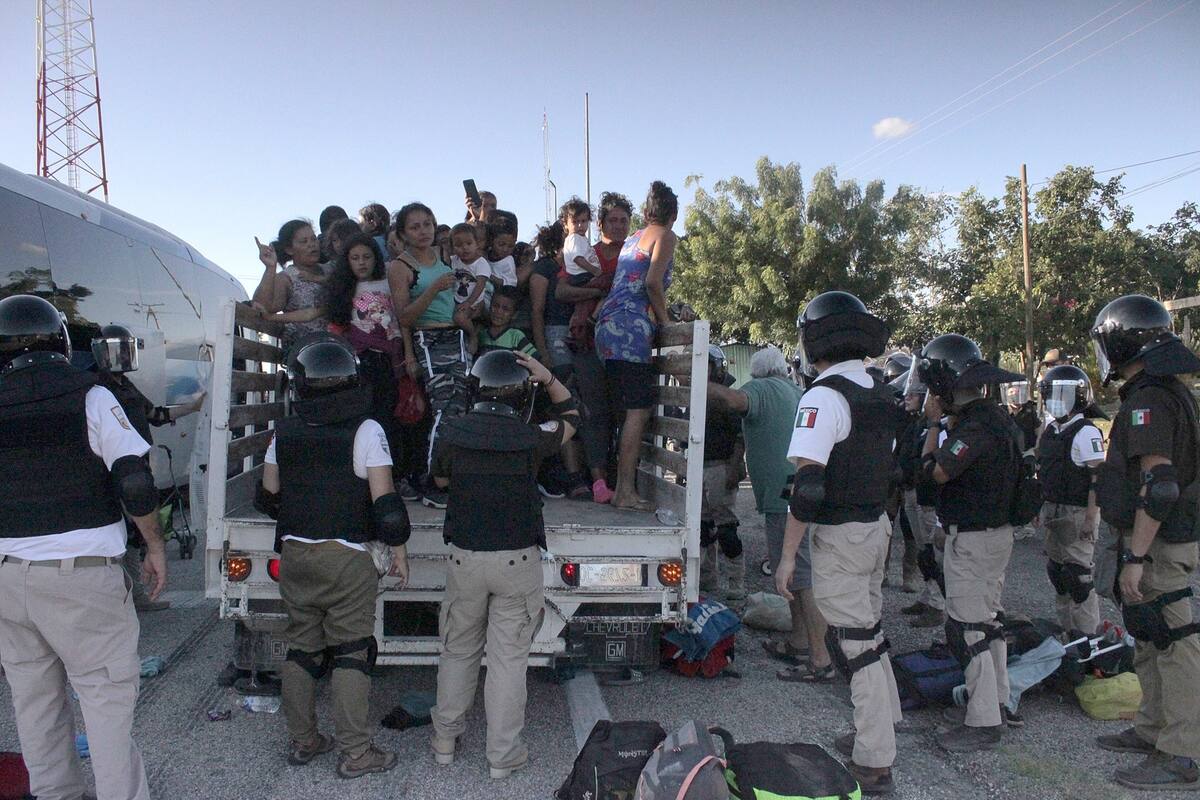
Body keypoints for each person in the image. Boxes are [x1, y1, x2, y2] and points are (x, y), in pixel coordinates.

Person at [0, 294, 167, 800]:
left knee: (34, 701)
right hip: (81, 575)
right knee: (104, 702)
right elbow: (134, 481)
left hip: (7, 575)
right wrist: (154, 546)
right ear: (61, 341)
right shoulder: (92, 396)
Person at [255, 334, 411, 779]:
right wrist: (399, 551)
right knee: (351, 653)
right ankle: (357, 753)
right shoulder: (367, 430)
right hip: (346, 557)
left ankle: (304, 741)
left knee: (302, 650)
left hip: (295, 554)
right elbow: (386, 507)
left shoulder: (283, 432)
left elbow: (268, 496)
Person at [430, 350, 580, 779]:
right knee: (508, 662)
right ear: (521, 395)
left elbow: (440, 480)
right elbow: (573, 416)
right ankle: (502, 756)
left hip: (465, 557)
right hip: (517, 561)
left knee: (457, 651)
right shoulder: (532, 437)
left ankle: (444, 741)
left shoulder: (452, 433)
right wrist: (547, 377)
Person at [776, 291, 901, 794]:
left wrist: (787, 557)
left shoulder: (823, 396)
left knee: (854, 645)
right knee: (870, 634)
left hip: (842, 535)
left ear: (815, 339)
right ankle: (883, 728)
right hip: (875, 527)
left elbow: (808, 489)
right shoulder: (880, 390)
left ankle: (875, 759)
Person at [1089, 294, 1200, 792]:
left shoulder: (1151, 398)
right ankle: (1153, 728)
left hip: (1159, 542)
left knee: (1175, 642)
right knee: (1151, 637)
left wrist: (1135, 555)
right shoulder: (1163, 390)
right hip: (1151, 538)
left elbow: (1160, 486)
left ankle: (1182, 753)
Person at [916, 333, 1025, 752]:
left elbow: (935, 473)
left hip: (977, 539)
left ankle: (983, 721)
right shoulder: (996, 419)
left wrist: (932, 425)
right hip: (993, 534)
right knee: (988, 623)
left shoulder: (977, 427)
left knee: (967, 629)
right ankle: (997, 702)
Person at [707, 346, 832, 680]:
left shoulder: (760, 389)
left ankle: (820, 659)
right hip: (798, 489)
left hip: (783, 496)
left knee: (802, 578)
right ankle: (799, 642)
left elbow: (734, 400)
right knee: (795, 577)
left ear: (757, 373)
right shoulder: (794, 390)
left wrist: (698, 382)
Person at [90, 324, 203, 612]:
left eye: (126, 349)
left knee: (135, 533)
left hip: (137, 466)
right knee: (125, 532)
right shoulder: (95, 387)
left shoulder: (126, 385)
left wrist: (193, 407)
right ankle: (127, 597)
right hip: (115, 470)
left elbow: (156, 415)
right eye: (116, 350)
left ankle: (133, 594)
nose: (123, 356)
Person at [595, 182, 677, 512]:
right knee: (637, 412)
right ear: (673, 215)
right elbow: (653, 283)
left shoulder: (633, 239)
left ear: (645, 212)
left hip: (608, 327)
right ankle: (625, 491)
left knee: (625, 412)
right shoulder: (665, 235)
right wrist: (666, 322)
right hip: (630, 331)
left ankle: (622, 487)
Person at [388, 202, 465, 509]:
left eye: (427, 224)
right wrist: (410, 355)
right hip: (429, 338)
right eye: (415, 227)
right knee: (443, 407)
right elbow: (404, 317)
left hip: (456, 335)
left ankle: (449, 475)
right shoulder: (400, 267)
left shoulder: (443, 255)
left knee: (459, 406)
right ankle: (433, 480)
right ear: (403, 233)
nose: (423, 231)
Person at [1036, 364, 1105, 636]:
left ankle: (1089, 638)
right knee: (1058, 575)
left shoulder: (1086, 432)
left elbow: (1097, 479)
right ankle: (1069, 635)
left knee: (1079, 579)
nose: (1055, 401)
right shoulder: (1052, 430)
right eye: (1052, 395)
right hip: (1053, 509)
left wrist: (1090, 519)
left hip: (1077, 512)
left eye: (1061, 395)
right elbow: (1045, 472)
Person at [324, 233, 405, 464]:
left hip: (389, 360)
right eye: (355, 258)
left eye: (367, 257)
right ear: (347, 261)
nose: (361, 262)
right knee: (362, 417)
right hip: (359, 362)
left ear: (376, 258)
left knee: (388, 416)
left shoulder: (389, 281)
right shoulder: (342, 289)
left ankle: (390, 470)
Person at [896, 371, 948, 629]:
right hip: (912, 492)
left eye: (914, 394)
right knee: (923, 551)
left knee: (933, 553)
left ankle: (937, 605)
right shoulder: (918, 424)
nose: (907, 397)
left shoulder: (939, 427)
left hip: (927, 498)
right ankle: (928, 597)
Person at [696, 345, 747, 600]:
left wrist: (734, 467)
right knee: (703, 528)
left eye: (707, 365)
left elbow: (740, 437)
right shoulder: (697, 394)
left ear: (716, 367)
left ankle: (736, 582)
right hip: (700, 466)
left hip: (721, 466)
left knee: (726, 529)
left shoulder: (727, 396)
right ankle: (707, 579)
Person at [252, 219, 334, 352]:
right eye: (304, 241)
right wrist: (270, 267)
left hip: (337, 348)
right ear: (289, 249)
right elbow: (261, 306)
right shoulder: (287, 278)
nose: (312, 245)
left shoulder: (330, 270)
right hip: (302, 352)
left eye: (313, 239)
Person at [461, 285, 538, 358]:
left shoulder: (516, 336)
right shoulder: (482, 334)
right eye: (495, 306)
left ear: (514, 314)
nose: (499, 312)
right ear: (490, 306)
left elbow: (533, 360)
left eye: (505, 309)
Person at [447, 222, 490, 311]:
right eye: (458, 245)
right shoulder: (453, 260)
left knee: (460, 317)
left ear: (477, 244)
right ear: (452, 248)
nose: (464, 248)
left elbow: (480, 285)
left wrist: (469, 302)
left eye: (469, 243)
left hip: (474, 303)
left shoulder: (481, 263)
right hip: (455, 299)